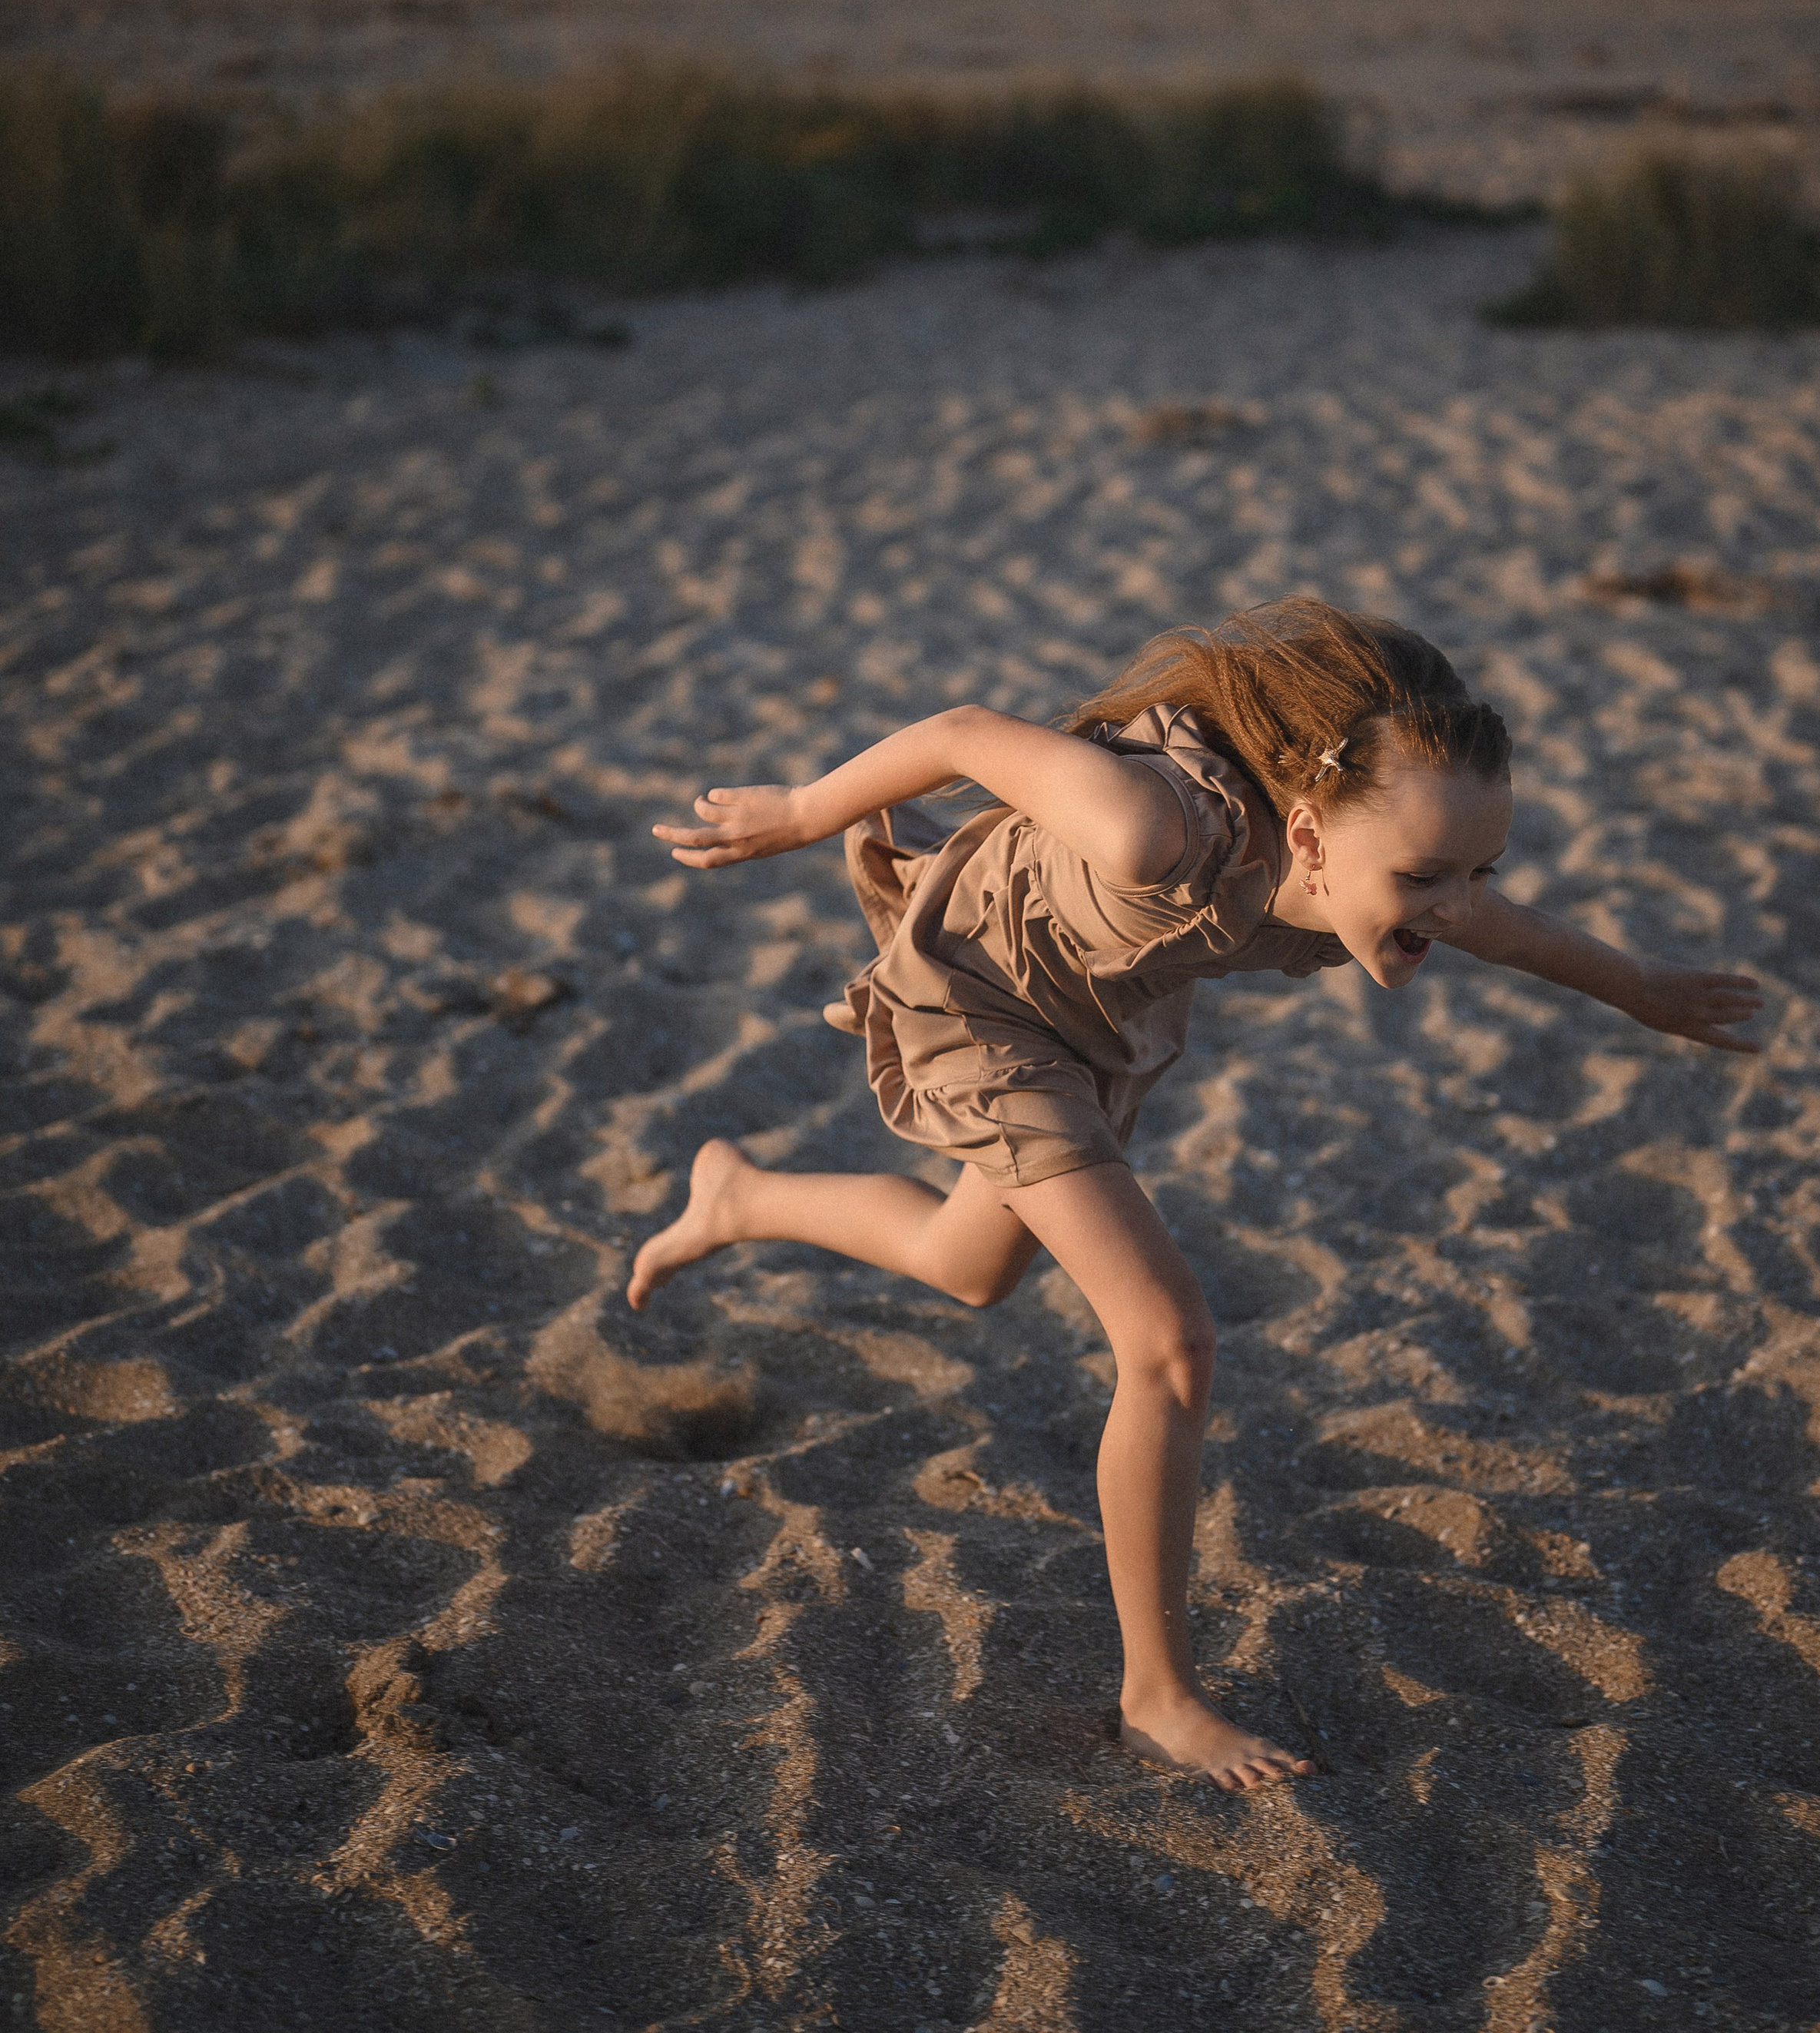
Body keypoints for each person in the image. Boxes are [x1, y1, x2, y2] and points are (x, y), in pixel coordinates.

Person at [628, 599, 1761, 1789]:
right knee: (1168, 1342)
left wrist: (1643, 989)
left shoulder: (1397, 866)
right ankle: (1157, 1695)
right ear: (1311, 832)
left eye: (1479, 868)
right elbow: (962, 732)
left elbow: (1508, 930)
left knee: (969, 1267)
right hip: (984, 1004)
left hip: (1098, 1017)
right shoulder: (1151, 831)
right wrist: (803, 812)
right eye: (1426, 876)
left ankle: (739, 1197)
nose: (1454, 903)